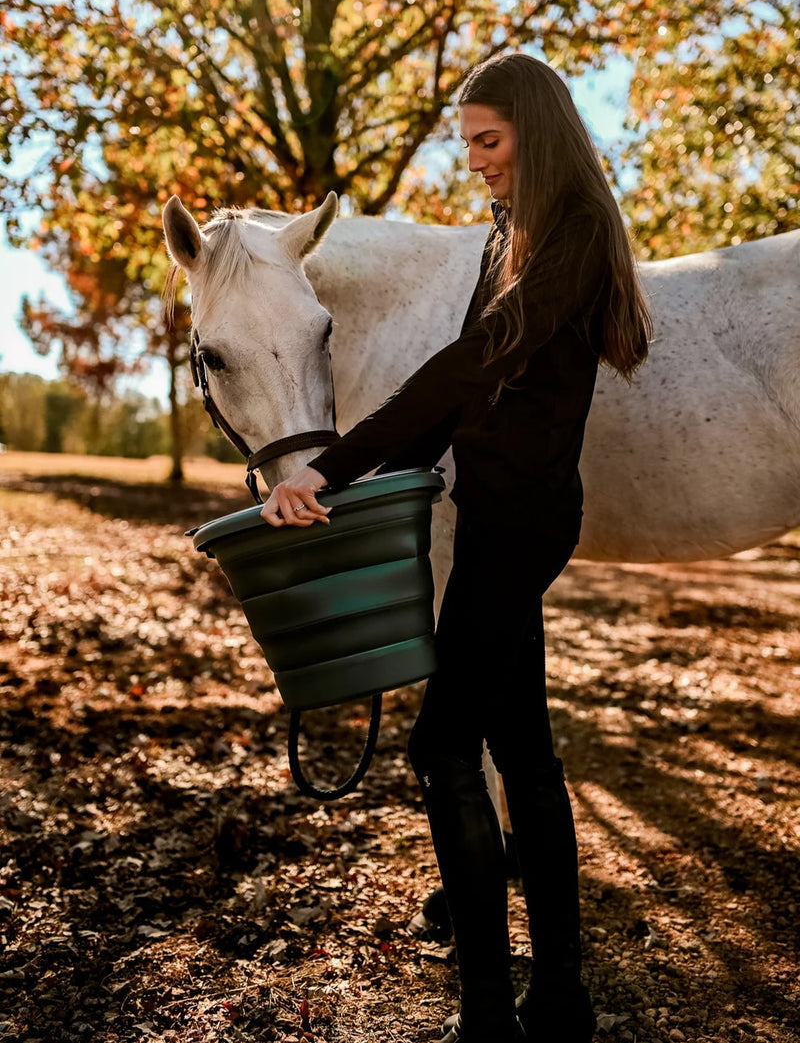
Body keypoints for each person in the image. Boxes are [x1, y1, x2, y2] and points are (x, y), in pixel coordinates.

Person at [260, 52, 652, 1043]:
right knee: (521, 747)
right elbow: (467, 398)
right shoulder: (509, 234)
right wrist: (373, 483)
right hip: (490, 513)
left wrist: (329, 467)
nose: (474, 160)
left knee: (442, 745)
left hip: (521, 524)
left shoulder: (570, 236)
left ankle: (488, 1018)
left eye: (488, 139)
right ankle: (558, 1001)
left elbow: (469, 362)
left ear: (537, 131)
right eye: (466, 142)